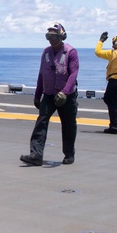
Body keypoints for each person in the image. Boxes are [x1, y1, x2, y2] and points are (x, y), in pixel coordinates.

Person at [21, 23, 79, 166]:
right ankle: (36, 155)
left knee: (68, 125)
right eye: (48, 36)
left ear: (62, 36)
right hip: (49, 94)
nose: (50, 40)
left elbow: (73, 74)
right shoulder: (46, 52)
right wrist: (37, 95)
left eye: (53, 36)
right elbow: (42, 73)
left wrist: (64, 93)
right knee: (41, 122)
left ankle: (69, 154)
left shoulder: (71, 52)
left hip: (67, 95)